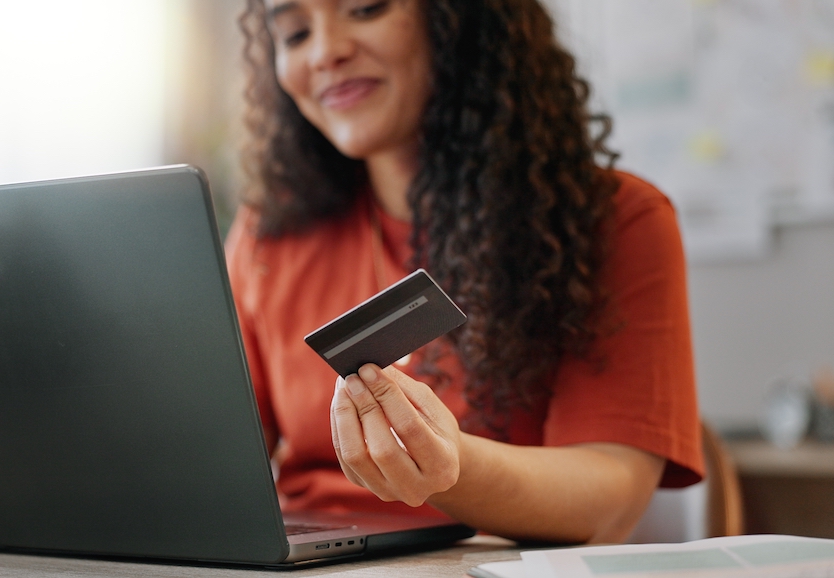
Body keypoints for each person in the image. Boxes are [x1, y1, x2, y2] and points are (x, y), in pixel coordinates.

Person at [225, 0, 703, 544]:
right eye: (294, 34)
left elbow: (610, 496)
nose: (324, 52)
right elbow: (218, 459)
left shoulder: (614, 220)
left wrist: (450, 465)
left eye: (364, 8)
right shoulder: (268, 234)